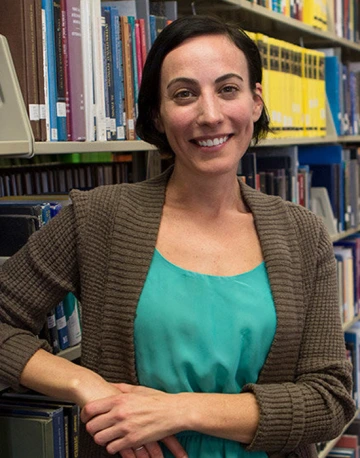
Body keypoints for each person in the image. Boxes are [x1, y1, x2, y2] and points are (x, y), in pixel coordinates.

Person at [0, 14, 356, 458]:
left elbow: (330, 399)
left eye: (228, 89)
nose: (210, 115)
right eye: (184, 94)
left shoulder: (303, 233)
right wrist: (85, 384)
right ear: (157, 113)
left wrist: (179, 410)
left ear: (256, 101)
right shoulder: (99, 218)